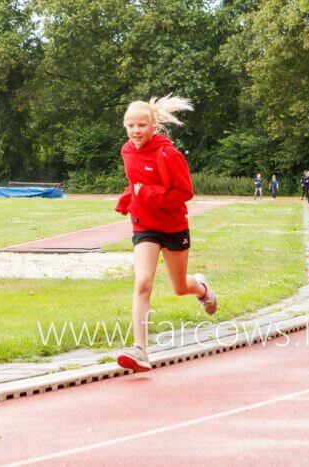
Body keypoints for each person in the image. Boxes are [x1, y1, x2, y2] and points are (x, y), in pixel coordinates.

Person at [114, 95, 217, 372]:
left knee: (179, 286)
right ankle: (140, 350)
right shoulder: (127, 151)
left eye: (142, 125)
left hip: (172, 226)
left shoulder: (168, 154)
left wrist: (146, 193)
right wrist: (128, 198)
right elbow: (136, 182)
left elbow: (185, 193)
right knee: (142, 283)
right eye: (131, 126)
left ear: (154, 124)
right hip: (144, 226)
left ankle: (202, 288)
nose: (136, 131)